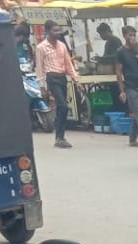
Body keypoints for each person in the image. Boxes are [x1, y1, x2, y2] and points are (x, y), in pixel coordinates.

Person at [35, 21, 79, 149]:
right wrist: (42, 87)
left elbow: (68, 64)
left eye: (58, 30)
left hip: (62, 78)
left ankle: (60, 136)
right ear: (48, 31)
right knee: (63, 106)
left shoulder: (62, 46)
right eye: (55, 30)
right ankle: (59, 136)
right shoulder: (41, 47)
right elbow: (39, 68)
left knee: (62, 108)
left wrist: (76, 80)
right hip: (51, 78)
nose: (58, 33)